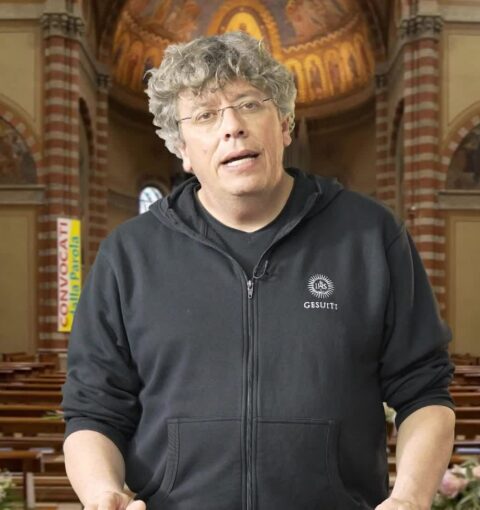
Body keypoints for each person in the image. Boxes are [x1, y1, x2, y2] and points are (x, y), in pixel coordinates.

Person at [62, 31, 455, 510]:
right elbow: (93, 411)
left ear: (285, 124)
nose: (232, 127)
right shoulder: (128, 255)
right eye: (205, 115)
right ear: (181, 147)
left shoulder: (371, 237)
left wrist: (410, 498)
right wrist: (101, 491)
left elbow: (424, 392)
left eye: (249, 104)